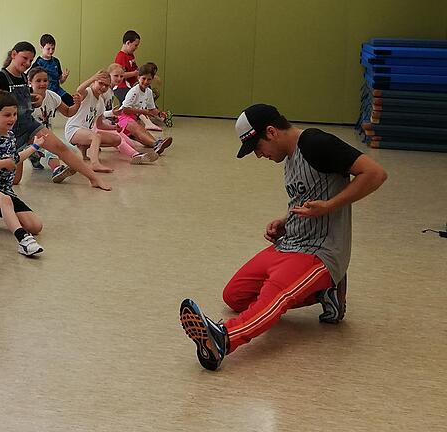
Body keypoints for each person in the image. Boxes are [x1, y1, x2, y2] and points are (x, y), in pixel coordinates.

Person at [179, 103, 387, 371]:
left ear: (271, 132)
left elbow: (375, 174)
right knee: (235, 296)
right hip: (289, 244)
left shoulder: (316, 143)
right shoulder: (289, 158)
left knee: (274, 297)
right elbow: (306, 197)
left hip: (319, 251)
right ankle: (324, 292)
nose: (258, 155)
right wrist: (285, 220)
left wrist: (331, 205)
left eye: (257, 147)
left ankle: (223, 338)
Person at [0, 41, 110, 191]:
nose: (28, 63)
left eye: (30, 60)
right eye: (25, 58)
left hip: (29, 124)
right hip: (11, 132)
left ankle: (94, 178)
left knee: (60, 147)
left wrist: (36, 100)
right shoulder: (0, 77)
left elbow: (25, 102)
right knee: (15, 180)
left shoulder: (23, 77)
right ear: (14, 55)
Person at [0, 91, 44, 256]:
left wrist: (34, 147)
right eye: (7, 115)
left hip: (5, 190)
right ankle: (23, 241)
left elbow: (15, 159)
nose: (12, 118)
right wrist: (3, 163)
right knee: (4, 200)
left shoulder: (11, 136)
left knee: (36, 226)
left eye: (14, 114)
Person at [65, 71, 157, 171]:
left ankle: (83, 149)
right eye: (100, 83)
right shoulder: (88, 92)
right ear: (94, 82)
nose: (103, 87)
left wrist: (114, 127)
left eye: (107, 86)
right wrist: (93, 77)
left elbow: (99, 125)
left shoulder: (100, 102)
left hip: (86, 132)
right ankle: (94, 164)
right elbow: (79, 89)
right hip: (73, 130)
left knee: (117, 139)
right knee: (96, 136)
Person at [28, 66, 82, 176]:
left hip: (48, 135)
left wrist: (77, 104)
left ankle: (36, 157)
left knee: (73, 151)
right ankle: (57, 169)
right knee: (51, 148)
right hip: (31, 138)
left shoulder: (52, 96)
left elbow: (67, 112)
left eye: (45, 80)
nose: (43, 83)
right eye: (38, 81)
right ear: (30, 82)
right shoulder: (26, 99)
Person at [118, 64, 173, 155]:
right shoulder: (134, 91)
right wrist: (142, 111)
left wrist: (160, 114)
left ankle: (156, 144)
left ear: (152, 79)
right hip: (122, 119)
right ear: (138, 78)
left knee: (143, 133)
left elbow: (152, 109)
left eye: (149, 79)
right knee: (138, 129)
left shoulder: (149, 92)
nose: (146, 81)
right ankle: (157, 143)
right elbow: (125, 110)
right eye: (143, 78)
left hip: (134, 119)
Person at [31, 33, 75, 106]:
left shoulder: (56, 61)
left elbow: (60, 81)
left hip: (57, 90)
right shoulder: (38, 63)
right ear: (42, 48)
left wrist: (64, 77)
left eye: (53, 48)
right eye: (48, 49)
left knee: (72, 103)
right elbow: (30, 80)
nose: (51, 51)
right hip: (45, 92)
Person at [114, 30, 141, 103]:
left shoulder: (131, 55)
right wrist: (134, 73)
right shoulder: (121, 57)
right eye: (135, 45)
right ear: (128, 43)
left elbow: (135, 69)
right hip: (122, 87)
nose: (136, 48)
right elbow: (120, 75)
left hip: (131, 85)